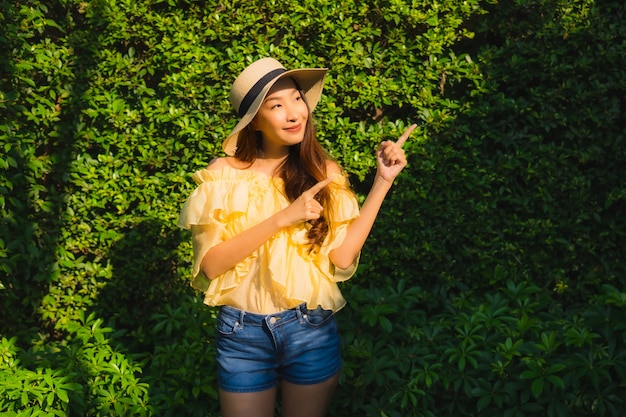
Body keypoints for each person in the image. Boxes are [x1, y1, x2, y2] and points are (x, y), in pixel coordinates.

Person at [177, 57, 416, 417]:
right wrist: (283, 218)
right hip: (242, 334)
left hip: (310, 327)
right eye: (276, 105)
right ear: (254, 121)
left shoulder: (324, 172)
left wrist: (383, 181)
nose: (293, 113)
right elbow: (211, 266)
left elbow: (342, 258)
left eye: (296, 99)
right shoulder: (222, 175)